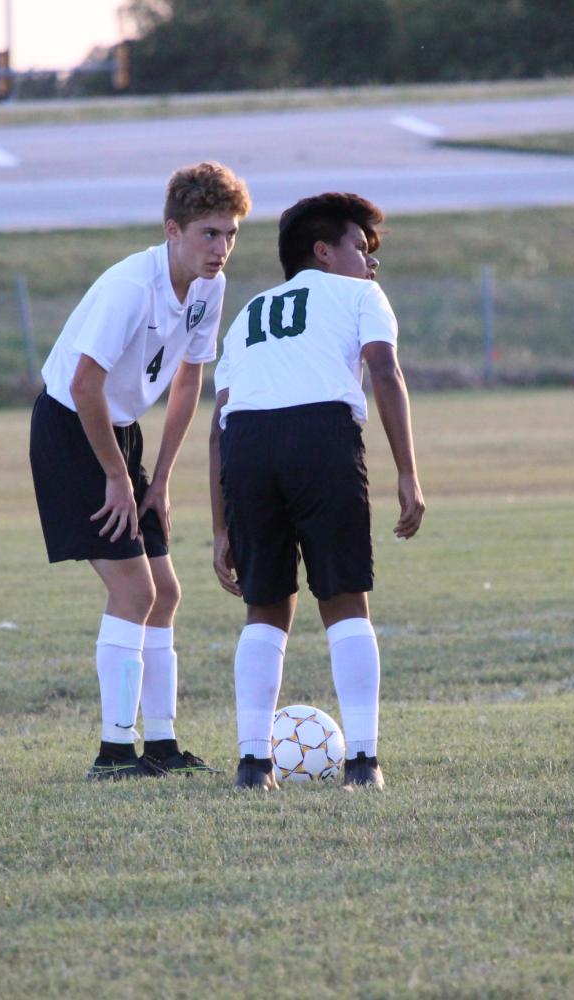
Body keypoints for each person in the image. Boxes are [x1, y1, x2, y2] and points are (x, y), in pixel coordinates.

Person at [30, 162, 250, 780]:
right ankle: (112, 752)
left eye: (231, 234)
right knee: (135, 592)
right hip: (72, 428)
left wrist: (159, 479)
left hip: (120, 434)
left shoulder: (210, 287)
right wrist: (117, 477)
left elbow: (188, 380)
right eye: (209, 233)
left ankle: (162, 746)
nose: (221, 248)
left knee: (167, 593)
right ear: (172, 231)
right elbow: (83, 383)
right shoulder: (132, 286)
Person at [208, 193, 425, 791]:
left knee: (266, 607)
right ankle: (363, 763)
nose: (371, 262)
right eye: (360, 247)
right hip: (320, 436)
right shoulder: (359, 295)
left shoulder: (249, 311)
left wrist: (223, 527)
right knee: (344, 599)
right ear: (323, 252)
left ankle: (253, 766)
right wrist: (407, 471)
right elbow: (385, 372)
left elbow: (217, 426)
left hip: (247, 446)